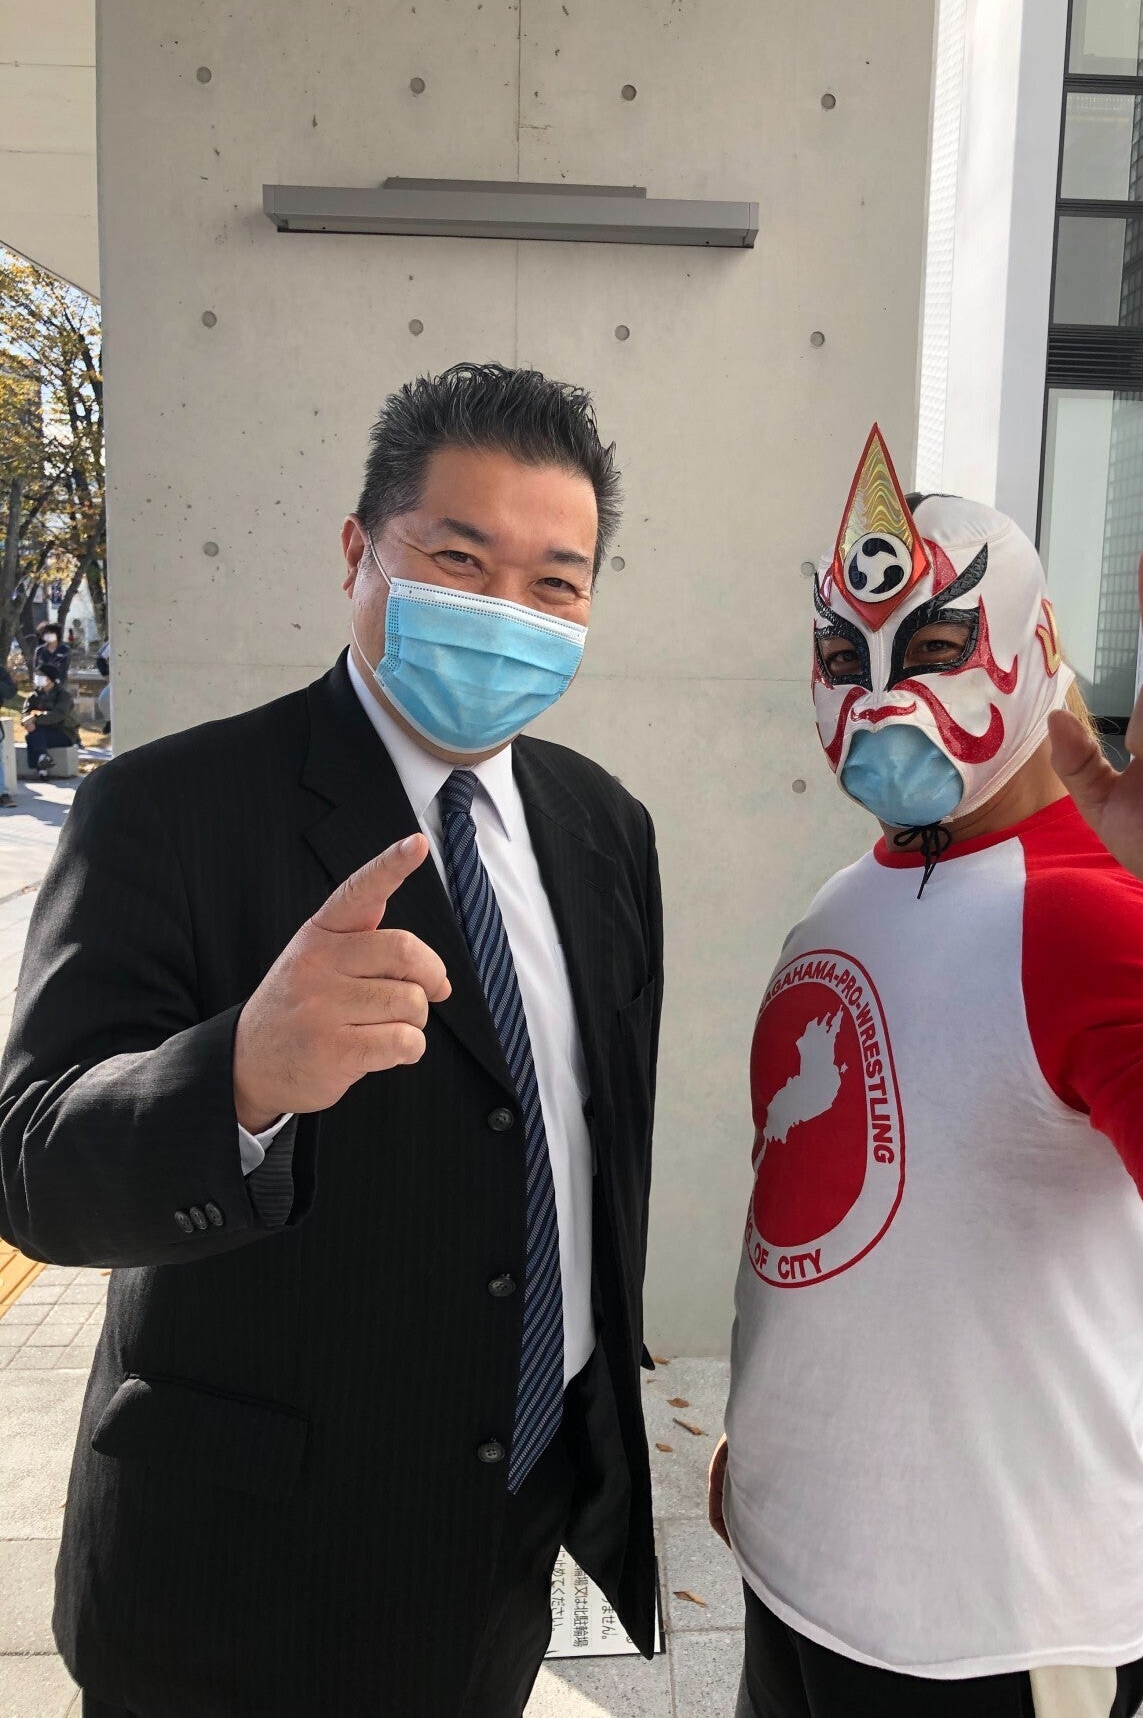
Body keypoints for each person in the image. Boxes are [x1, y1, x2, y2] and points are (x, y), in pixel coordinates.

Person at [0, 365, 664, 1718]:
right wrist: (238, 1075)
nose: (507, 613)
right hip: (236, 1583)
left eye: (555, 583)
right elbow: (33, 1166)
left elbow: (583, 1150)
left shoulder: (606, 829)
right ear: (358, 551)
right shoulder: (167, 809)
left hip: (496, 1548)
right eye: (459, 560)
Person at [710, 428, 1143, 1718]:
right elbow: (815, 1220)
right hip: (795, 1571)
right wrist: (767, 1450)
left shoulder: (1094, 913)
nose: (881, 697)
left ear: (1034, 645)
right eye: (844, 660)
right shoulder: (844, 898)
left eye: (934, 648)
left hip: (992, 1633)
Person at [20, 670, 81, 775]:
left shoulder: (63, 695)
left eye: (41, 675)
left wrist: (35, 719)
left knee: (32, 736)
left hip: (65, 733)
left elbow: (57, 715)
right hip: (42, 731)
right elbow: (25, 713)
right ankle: (43, 760)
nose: (38, 678)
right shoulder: (34, 696)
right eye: (37, 675)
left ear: (50, 679)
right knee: (33, 735)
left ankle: (41, 767)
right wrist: (27, 722)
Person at [33, 621, 71, 686]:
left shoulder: (65, 650)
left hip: (58, 684)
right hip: (41, 683)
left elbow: (63, 669)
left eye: (50, 633)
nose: (47, 635)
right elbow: (36, 668)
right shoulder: (40, 650)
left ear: (57, 634)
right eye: (46, 633)